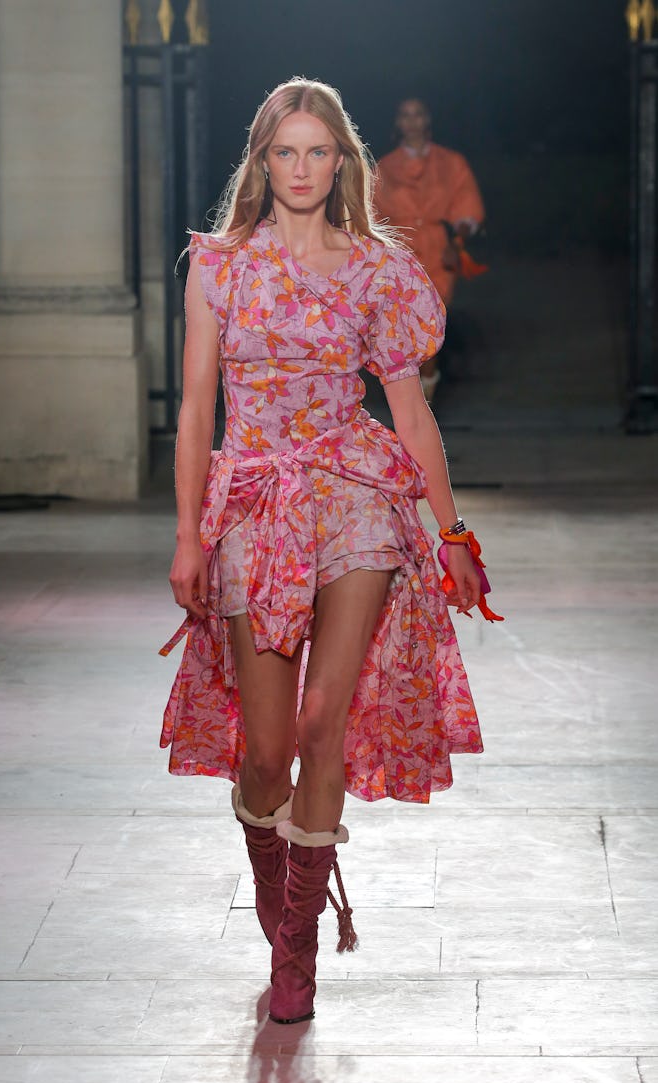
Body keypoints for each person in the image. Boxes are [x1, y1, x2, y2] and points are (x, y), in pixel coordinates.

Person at [160, 78, 498, 1026]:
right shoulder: (219, 267)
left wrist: (451, 530)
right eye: (285, 153)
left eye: (318, 152)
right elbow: (195, 411)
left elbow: (410, 409)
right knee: (264, 752)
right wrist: (188, 532)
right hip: (256, 500)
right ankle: (282, 897)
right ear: (262, 163)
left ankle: (296, 950)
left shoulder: (379, 272)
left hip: (356, 494)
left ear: (342, 162)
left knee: (322, 722)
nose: (302, 170)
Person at [373, 98, 486, 401]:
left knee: (429, 325)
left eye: (418, 114)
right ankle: (416, 397)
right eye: (405, 115)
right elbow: (370, 216)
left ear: (427, 119)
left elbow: (466, 207)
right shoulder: (384, 166)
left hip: (438, 252)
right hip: (400, 253)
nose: (412, 121)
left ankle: (425, 395)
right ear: (398, 122)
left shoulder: (451, 163)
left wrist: (456, 242)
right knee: (404, 328)